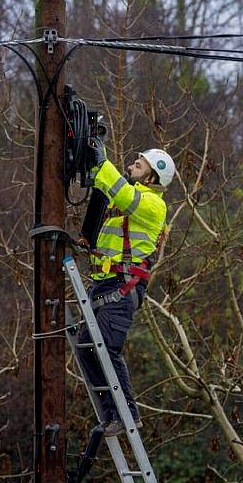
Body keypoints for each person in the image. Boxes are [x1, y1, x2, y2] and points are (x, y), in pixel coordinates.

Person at [76, 141, 175, 437]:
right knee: (85, 348)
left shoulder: (153, 204)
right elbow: (108, 191)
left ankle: (127, 415)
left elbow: (119, 190)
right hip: (105, 284)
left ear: (151, 178)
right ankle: (111, 413)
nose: (133, 163)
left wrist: (103, 162)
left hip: (121, 288)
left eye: (139, 163)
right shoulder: (128, 201)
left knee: (106, 346)